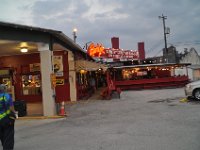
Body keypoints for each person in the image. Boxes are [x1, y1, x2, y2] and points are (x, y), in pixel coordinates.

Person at [0, 84, 17, 150]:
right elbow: (11, 107)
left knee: (2, 135)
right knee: (8, 135)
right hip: (6, 119)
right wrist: (14, 112)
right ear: (4, 89)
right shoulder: (6, 96)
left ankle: (4, 145)